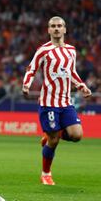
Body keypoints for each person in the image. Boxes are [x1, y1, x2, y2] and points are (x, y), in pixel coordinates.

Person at [22, 16, 92, 186]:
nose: (56, 29)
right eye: (53, 26)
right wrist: (26, 85)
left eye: (59, 26)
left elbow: (71, 72)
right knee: (54, 141)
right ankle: (46, 173)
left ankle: (51, 133)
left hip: (66, 102)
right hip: (49, 102)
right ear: (48, 30)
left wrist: (82, 86)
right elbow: (32, 69)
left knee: (77, 135)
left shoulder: (71, 50)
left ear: (64, 29)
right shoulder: (43, 50)